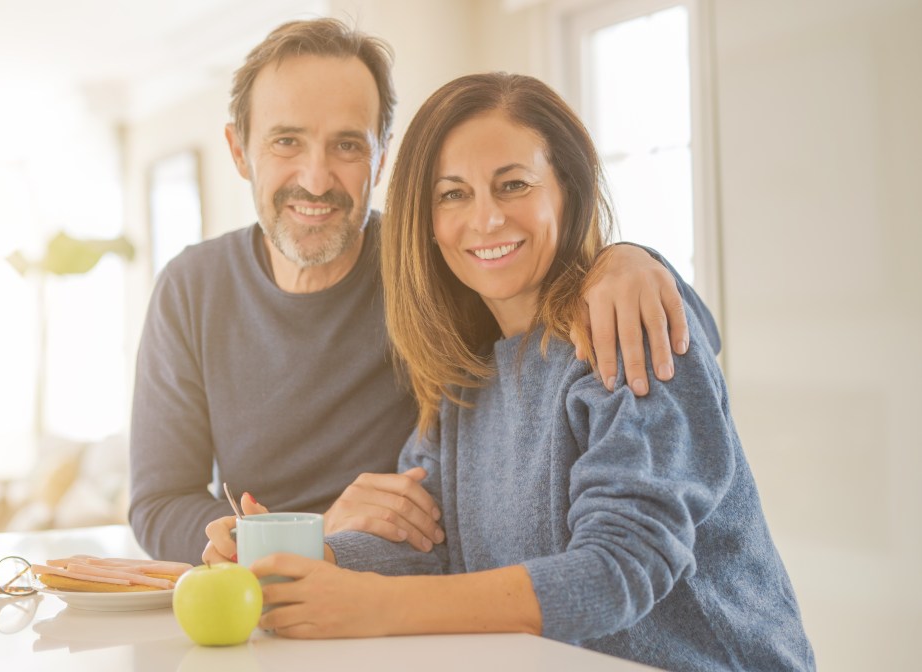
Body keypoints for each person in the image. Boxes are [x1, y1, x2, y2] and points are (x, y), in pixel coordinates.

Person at [202, 72, 814, 670]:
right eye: (453, 194)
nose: (487, 219)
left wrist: (377, 606)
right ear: (428, 222)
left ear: (567, 190)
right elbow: (429, 546)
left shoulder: (626, 325)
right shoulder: (465, 379)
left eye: (514, 184)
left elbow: (620, 571)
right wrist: (300, 562)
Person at [130, 18, 704, 566]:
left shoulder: (436, 265)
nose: (315, 178)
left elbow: (644, 336)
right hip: (281, 590)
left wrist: (625, 260)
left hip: (411, 587)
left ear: (381, 157)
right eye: (286, 141)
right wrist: (307, 534)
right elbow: (159, 504)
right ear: (239, 151)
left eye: (348, 146)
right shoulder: (190, 288)